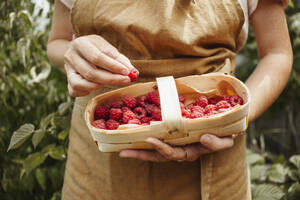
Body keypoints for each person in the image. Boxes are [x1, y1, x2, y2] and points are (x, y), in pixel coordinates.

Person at [47, 0, 293, 199]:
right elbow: (57, 42)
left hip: (213, 155)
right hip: (99, 160)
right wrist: (72, 52)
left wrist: (234, 117)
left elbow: (277, 53)